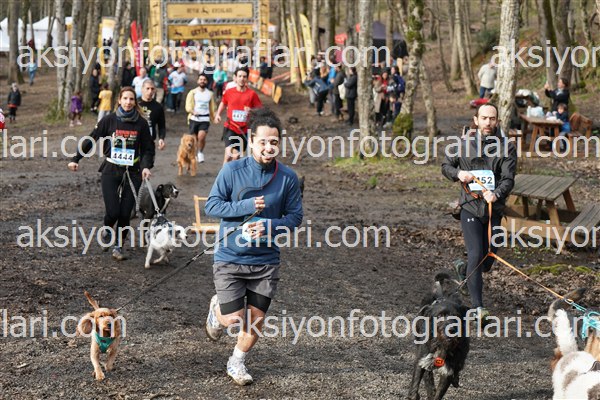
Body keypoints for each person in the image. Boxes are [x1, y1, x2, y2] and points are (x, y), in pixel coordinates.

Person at [204, 107, 303, 386]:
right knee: (234, 320)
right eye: (263, 141)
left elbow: (295, 217)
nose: (268, 147)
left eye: (274, 142)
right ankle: (217, 310)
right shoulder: (232, 170)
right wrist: (246, 206)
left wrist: (269, 226)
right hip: (230, 256)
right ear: (251, 141)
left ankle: (236, 362)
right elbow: (212, 206)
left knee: (255, 320)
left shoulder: (287, 178)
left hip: (265, 260)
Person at [441, 104, 516, 323]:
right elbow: (445, 166)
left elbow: (508, 178)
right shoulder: (462, 144)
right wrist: (458, 173)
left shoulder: (507, 147)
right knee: (475, 253)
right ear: (476, 120)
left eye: (492, 118)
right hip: (470, 207)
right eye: (484, 118)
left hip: (494, 209)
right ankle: (478, 307)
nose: (488, 122)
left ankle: (463, 269)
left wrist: (497, 193)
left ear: (497, 121)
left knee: (488, 258)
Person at [68, 86, 155, 261]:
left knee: (125, 213)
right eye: (125, 99)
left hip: (133, 172)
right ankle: (107, 229)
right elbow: (91, 138)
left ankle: (119, 246)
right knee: (113, 212)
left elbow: (148, 149)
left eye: (131, 99)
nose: (128, 102)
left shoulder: (141, 123)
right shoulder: (109, 120)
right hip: (111, 169)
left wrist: (146, 166)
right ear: (119, 100)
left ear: (135, 102)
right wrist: (76, 158)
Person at [214, 67, 262, 164]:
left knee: (236, 157)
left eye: (244, 76)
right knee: (228, 155)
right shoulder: (229, 92)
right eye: (239, 76)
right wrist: (218, 114)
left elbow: (260, 110)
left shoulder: (252, 94)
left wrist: (251, 110)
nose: (242, 79)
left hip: (244, 129)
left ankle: (232, 173)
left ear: (247, 78)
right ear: (235, 78)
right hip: (230, 126)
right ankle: (224, 173)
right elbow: (223, 103)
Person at [186, 74, 216, 163]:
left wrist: (214, 116)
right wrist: (192, 111)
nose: (202, 81)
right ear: (198, 81)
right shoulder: (193, 92)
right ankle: (194, 154)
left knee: (201, 137)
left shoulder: (210, 94)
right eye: (201, 79)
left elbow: (212, 107)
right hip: (194, 119)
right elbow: (188, 105)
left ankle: (200, 152)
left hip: (205, 119)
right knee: (194, 139)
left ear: (207, 81)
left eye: (204, 79)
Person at [138, 80, 167, 151]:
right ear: (142, 89)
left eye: (152, 89)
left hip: (149, 142)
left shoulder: (158, 107)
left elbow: (162, 126)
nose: (150, 91)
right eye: (147, 88)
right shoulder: (135, 104)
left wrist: (161, 138)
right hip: (135, 141)